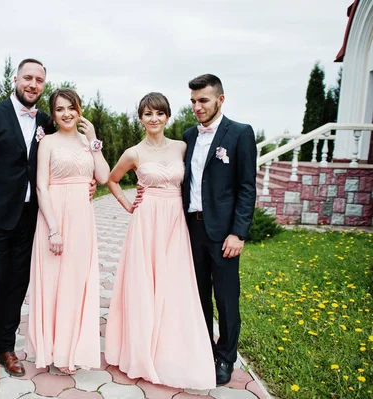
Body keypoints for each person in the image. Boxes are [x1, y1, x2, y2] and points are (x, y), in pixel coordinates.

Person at [0, 59, 95, 392]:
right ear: (15, 79)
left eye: (39, 80)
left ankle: (8, 348)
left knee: (17, 284)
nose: (33, 84)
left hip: (31, 217)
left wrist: (87, 183)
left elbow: (62, 157)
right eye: (28, 78)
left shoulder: (47, 122)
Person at [104, 92, 215, 389]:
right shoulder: (133, 153)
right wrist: (128, 205)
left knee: (174, 283)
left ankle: (171, 346)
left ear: (168, 117)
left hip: (175, 221)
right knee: (144, 283)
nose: (154, 119)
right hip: (146, 220)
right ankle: (141, 348)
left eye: (159, 113)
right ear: (140, 118)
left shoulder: (182, 147)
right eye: (148, 114)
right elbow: (112, 180)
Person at [26, 88, 109, 374]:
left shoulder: (89, 143)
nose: (66, 114)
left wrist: (94, 140)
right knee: (52, 283)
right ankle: (49, 348)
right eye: (60, 109)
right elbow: (41, 186)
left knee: (76, 282)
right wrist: (53, 229)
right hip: (53, 217)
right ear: (54, 112)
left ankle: (69, 351)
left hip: (82, 219)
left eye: (71, 107)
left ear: (79, 109)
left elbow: (104, 177)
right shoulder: (47, 142)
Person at [183, 74, 257, 385]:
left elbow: (246, 188)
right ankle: (203, 352)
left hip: (224, 233)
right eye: (193, 101)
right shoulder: (188, 136)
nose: (197, 107)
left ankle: (226, 357)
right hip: (190, 230)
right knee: (198, 296)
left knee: (226, 300)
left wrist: (238, 233)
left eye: (203, 100)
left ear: (220, 100)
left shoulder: (240, 134)